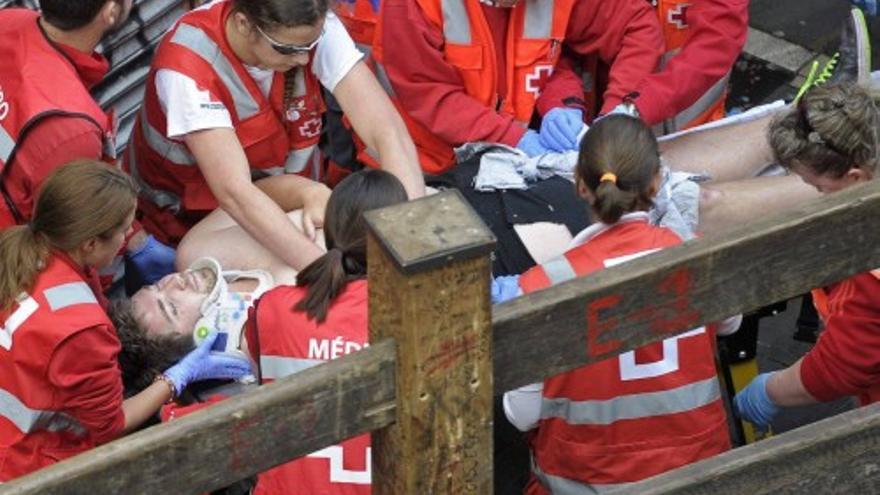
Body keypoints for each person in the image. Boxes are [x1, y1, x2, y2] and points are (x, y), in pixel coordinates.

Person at [112, 169, 409, 494]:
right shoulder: (272, 339)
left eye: (156, 286)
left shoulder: (194, 252)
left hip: (363, 207)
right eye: (171, 307)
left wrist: (307, 193)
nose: (173, 282)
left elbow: (250, 196)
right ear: (189, 350)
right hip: (395, 242)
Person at [498, 115, 740, 494]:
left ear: (579, 185)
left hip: (584, 482)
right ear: (657, 182)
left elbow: (521, 413)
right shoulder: (697, 256)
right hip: (697, 471)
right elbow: (730, 323)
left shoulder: (545, 284)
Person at [126, 0, 425, 272]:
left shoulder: (308, 26)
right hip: (187, 228)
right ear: (243, 24)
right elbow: (236, 193)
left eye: (312, 45)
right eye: (288, 50)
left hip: (292, 202)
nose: (304, 60)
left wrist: (414, 231)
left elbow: (386, 129)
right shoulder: (187, 69)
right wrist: (325, 273)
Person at [0, 160, 251, 480]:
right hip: (14, 461)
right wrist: (177, 377)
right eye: (122, 231)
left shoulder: (26, 252)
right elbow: (110, 427)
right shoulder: (83, 330)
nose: (125, 240)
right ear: (90, 244)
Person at [734, 82, 880, 430]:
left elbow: (842, 367)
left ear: (856, 177)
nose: (817, 197)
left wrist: (772, 390)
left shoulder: (871, 274)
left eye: (822, 189)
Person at [0, 0, 176, 287]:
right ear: (109, 12)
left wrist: (133, 237)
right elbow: (75, 243)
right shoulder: (71, 129)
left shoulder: (9, 22)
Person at [374, 0, 665, 172]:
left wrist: (611, 113)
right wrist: (514, 138)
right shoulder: (413, 5)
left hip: (510, 160)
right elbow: (430, 92)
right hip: (421, 164)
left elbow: (635, 26)